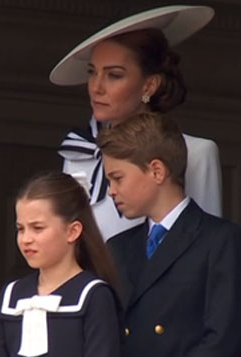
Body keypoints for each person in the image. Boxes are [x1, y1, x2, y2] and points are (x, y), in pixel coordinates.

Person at [98, 112, 241, 357]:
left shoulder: (220, 240)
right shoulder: (118, 247)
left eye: (118, 178)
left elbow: (222, 341)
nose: (112, 191)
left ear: (156, 171)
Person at [51, 5, 223, 240]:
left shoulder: (195, 153)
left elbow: (207, 245)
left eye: (114, 75)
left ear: (149, 85)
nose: (96, 87)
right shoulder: (78, 152)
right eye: (92, 72)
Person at [0, 172, 121, 357]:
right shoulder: (11, 296)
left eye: (37, 228)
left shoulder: (93, 295)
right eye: (20, 228)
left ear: (72, 231)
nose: (25, 239)